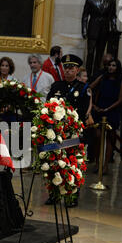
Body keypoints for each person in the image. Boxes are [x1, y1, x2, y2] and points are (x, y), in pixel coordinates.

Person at [46, 54, 91, 206]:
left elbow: (83, 111)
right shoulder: (56, 86)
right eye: (66, 68)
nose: (68, 71)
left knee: (73, 163)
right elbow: (48, 106)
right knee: (54, 163)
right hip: (57, 131)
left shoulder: (84, 88)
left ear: (77, 70)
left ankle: (72, 195)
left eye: (71, 68)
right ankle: (54, 194)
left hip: (73, 132)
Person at [91, 59, 122, 174]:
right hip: (99, 108)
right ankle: (97, 163)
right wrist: (94, 106)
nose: (111, 67)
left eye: (114, 65)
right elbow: (89, 88)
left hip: (112, 110)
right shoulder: (102, 77)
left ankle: (105, 165)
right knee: (97, 137)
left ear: (117, 67)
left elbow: (120, 99)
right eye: (109, 65)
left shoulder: (121, 81)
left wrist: (108, 109)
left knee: (110, 139)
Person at [82, 0, 119, 76]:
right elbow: (85, 15)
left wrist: (114, 27)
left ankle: (96, 73)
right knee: (90, 53)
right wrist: (84, 30)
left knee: (100, 54)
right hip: (93, 28)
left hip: (104, 29)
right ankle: (87, 74)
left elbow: (113, 15)